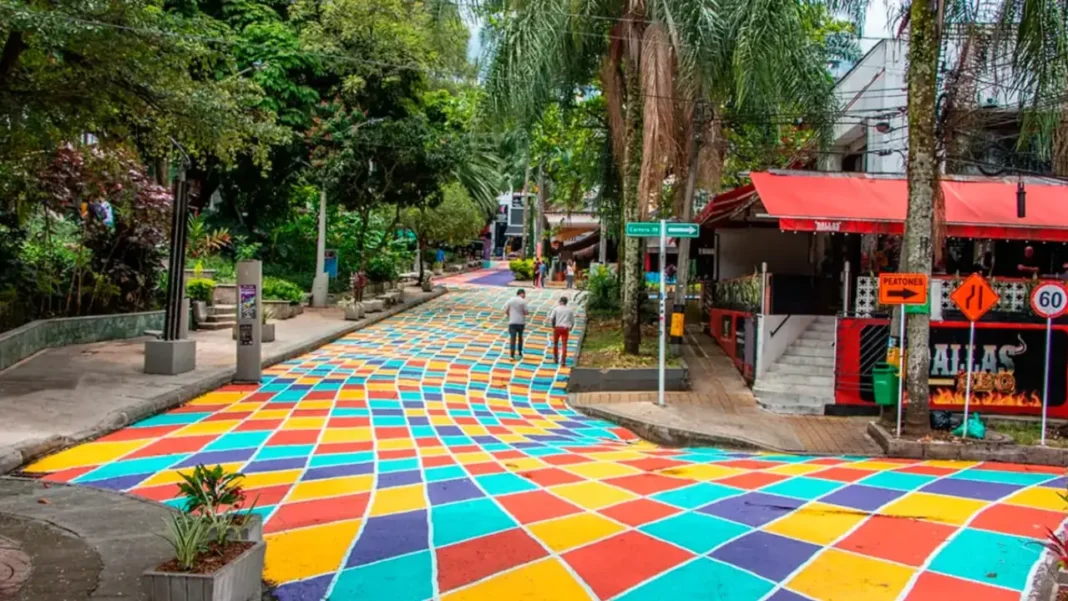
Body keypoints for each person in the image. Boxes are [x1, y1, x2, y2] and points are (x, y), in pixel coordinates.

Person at [548, 296, 576, 365]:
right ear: (566, 302)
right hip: (565, 328)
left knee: (555, 343)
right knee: (564, 344)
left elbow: (551, 318)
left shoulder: (556, 309)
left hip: (557, 328)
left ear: (560, 302)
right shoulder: (570, 310)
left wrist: (552, 325)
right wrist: (571, 327)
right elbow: (572, 321)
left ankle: (555, 358)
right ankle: (563, 360)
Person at [504, 289, 528, 360]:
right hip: (521, 322)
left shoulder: (510, 300)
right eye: (524, 294)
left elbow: (506, 309)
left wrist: (510, 315)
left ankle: (512, 355)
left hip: (512, 322)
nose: (525, 296)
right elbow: (526, 312)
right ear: (521, 293)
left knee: (512, 339)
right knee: (520, 338)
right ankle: (520, 352)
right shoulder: (523, 301)